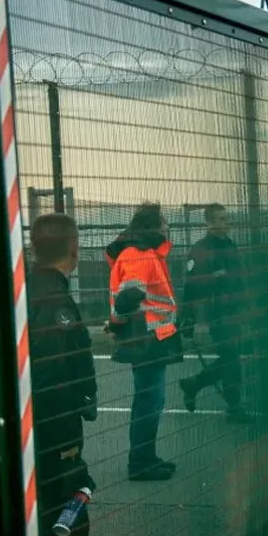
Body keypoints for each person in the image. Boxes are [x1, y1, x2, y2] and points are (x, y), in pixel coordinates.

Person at [28, 214, 133, 536]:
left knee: (58, 509)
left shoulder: (33, 291)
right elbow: (56, 373)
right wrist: (78, 406)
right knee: (71, 509)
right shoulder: (54, 302)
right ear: (72, 247)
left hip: (42, 431)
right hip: (57, 434)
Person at [105, 203, 183, 482]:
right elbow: (129, 297)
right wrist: (116, 323)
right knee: (150, 401)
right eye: (163, 222)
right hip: (148, 339)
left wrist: (116, 323)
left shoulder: (140, 252)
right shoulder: (139, 254)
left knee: (147, 400)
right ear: (153, 226)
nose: (167, 228)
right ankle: (140, 463)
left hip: (148, 338)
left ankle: (145, 456)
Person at [179, 204, 250, 423]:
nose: (226, 222)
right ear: (209, 223)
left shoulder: (230, 245)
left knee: (231, 358)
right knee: (232, 358)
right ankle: (234, 407)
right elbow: (190, 287)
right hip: (217, 314)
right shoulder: (200, 250)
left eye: (226, 217)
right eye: (221, 219)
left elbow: (238, 280)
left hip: (234, 312)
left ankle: (194, 384)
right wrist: (187, 320)